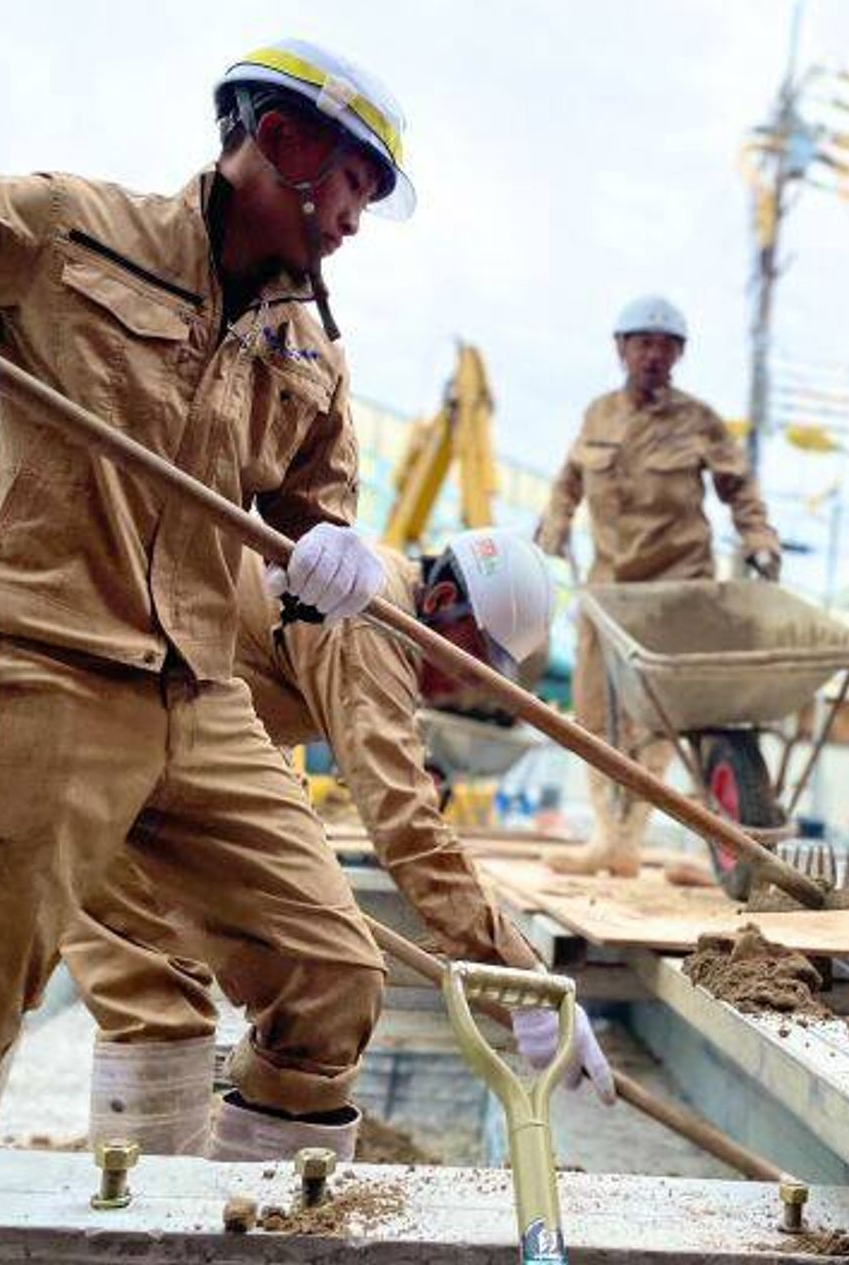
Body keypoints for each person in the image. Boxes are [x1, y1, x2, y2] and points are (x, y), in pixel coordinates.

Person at [0, 40, 453, 1161]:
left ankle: (240, 1216)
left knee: (334, 978)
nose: (359, 217)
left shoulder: (309, 347)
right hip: (39, 668)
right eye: (357, 180)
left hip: (197, 695)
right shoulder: (72, 228)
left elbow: (315, 509)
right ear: (287, 142)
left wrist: (336, 558)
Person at [61, 529, 615, 1156]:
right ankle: (165, 1219)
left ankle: (203, 1211)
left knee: (243, 989)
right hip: (106, 729)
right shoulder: (371, 618)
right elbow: (406, 824)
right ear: (439, 603)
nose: (468, 686)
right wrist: (521, 983)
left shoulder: (379, 607)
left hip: (163, 740)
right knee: (158, 993)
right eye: (473, 659)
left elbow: (251, 712)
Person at [535, 297, 780, 877]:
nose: (654, 354)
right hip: (608, 589)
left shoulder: (699, 420)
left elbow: (739, 488)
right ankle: (610, 840)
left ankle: (692, 844)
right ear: (621, 348)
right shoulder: (597, 415)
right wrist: (553, 525)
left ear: (680, 356)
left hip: (678, 588)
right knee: (595, 714)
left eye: (666, 345)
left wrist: (760, 539)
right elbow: (567, 481)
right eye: (643, 342)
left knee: (672, 716)